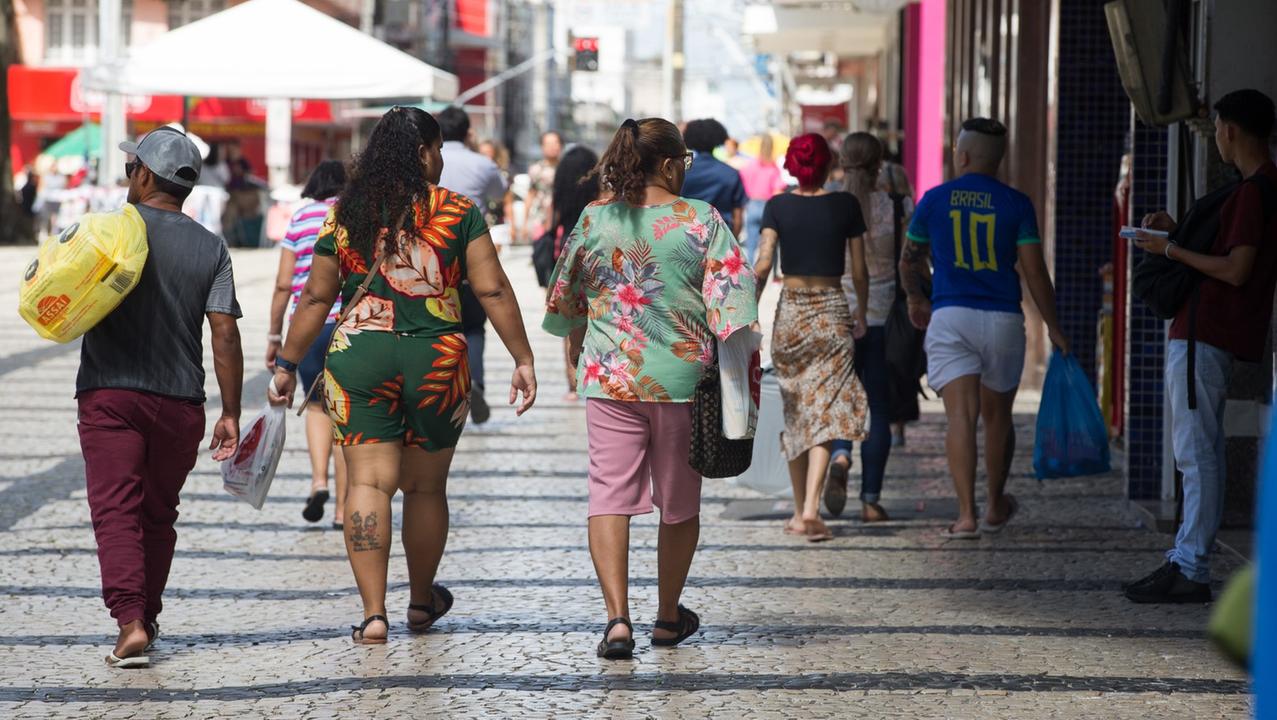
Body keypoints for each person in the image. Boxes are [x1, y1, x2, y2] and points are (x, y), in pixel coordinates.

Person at [269, 107, 537, 644]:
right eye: (437, 149)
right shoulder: (456, 210)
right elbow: (492, 289)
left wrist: (287, 364)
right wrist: (522, 357)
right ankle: (420, 601)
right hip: (433, 358)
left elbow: (317, 296)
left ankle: (373, 614)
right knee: (424, 487)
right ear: (423, 153)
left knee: (367, 483)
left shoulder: (346, 212)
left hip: (359, 357)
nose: (440, 159)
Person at [543, 118, 758, 659]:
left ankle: (617, 621)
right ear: (668, 165)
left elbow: (564, 294)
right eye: (683, 163)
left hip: (610, 378)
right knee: (679, 503)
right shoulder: (702, 220)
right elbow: (733, 307)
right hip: (684, 382)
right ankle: (667, 617)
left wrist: (576, 339)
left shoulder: (595, 218)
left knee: (607, 496)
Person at [78, 126, 243, 667]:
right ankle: (146, 615)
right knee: (157, 513)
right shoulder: (211, 247)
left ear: (145, 175)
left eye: (132, 169)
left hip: (110, 393)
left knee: (115, 509)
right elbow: (223, 331)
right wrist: (232, 410)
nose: (129, 176)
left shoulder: (109, 229)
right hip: (180, 403)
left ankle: (130, 622)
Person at [1126, 89, 1277, 603]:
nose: (1215, 138)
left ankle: (1191, 565)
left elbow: (1236, 269)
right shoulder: (1255, 188)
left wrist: (1170, 249)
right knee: (1200, 450)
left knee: (1197, 453)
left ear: (1230, 130)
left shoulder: (1255, 191)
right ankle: (1187, 557)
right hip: (1212, 332)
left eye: (1216, 128)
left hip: (1205, 331)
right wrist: (1179, 235)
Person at [899, 117, 1069, 540]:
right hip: (1003, 320)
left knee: (961, 418)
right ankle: (994, 504)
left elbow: (909, 258)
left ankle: (966, 515)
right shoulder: (1017, 204)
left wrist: (917, 298)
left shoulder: (934, 200)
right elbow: (1035, 273)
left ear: (962, 155)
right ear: (999, 160)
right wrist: (1055, 327)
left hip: (952, 315)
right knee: (998, 419)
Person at [753, 133, 870, 542]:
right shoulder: (846, 205)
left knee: (796, 412)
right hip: (832, 311)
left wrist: (749, 312)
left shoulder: (778, 205)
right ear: (827, 164)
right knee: (825, 414)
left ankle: (800, 511)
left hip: (792, 313)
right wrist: (862, 312)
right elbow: (859, 270)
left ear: (792, 164)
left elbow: (764, 263)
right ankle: (809, 512)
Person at [824, 133, 913, 522]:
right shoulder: (897, 206)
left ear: (842, 162)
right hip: (883, 319)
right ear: (881, 163)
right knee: (878, 406)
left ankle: (841, 455)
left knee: (841, 399)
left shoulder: (828, 204)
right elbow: (910, 259)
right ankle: (871, 500)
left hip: (836, 317)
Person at [267, 160, 349, 528]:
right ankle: (342, 510)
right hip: (347, 324)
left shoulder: (300, 219)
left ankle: (319, 482)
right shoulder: (352, 216)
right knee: (346, 415)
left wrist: (275, 336)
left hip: (308, 326)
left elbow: (285, 283)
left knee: (316, 407)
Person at [437, 107, 508, 425]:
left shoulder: (426, 160)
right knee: (473, 326)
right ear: (468, 132)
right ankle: (475, 381)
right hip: (471, 254)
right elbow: (499, 193)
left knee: (439, 323)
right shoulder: (482, 163)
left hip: (430, 256)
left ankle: (439, 390)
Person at [547, 145, 602, 401]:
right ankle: (595, 372)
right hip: (594, 249)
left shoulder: (561, 187)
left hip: (566, 252)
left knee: (570, 316)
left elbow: (553, 221)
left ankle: (573, 381)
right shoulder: (597, 198)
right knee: (595, 315)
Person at [879, 161, 921, 448]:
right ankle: (898, 426)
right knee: (905, 360)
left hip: (880, 292)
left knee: (882, 361)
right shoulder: (909, 207)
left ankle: (883, 420)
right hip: (906, 292)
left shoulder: (873, 206)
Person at [681, 118, 747, 237]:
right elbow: (738, 217)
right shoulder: (731, 173)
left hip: (687, 235)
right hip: (721, 236)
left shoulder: (683, 172)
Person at [739, 134, 787, 263]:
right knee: (770, 243)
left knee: (751, 244)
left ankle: (749, 270)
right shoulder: (773, 167)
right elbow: (778, 190)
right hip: (768, 206)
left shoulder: (750, 165)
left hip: (752, 204)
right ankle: (774, 272)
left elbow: (741, 183)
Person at [521, 130, 563, 244]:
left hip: (562, 221)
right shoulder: (536, 170)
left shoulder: (566, 169)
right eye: (548, 144)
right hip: (540, 220)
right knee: (541, 255)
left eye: (555, 143)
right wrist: (525, 223)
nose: (552, 147)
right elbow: (530, 194)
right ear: (542, 147)